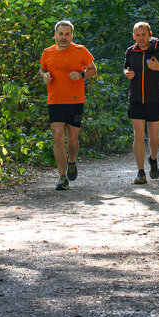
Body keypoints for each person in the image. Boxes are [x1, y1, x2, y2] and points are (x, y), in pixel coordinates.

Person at [38, 20, 97, 190]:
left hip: (75, 101)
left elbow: (93, 69)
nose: (64, 37)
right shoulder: (47, 52)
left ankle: (72, 160)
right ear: (55, 35)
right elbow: (41, 69)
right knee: (58, 138)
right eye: (61, 34)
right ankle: (62, 177)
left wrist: (81, 74)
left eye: (67, 34)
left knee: (72, 142)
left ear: (72, 35)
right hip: (55, 101)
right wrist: (44, 75)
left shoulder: (80, 50)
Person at [123, 21, 159, 184]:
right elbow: (126, 67)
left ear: (150, 35)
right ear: (133, 36)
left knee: (154, 138)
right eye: (137, 35)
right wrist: (127, 73)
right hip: (136, 99)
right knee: (138, 135)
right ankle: (140, 172)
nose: (141, 38)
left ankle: (153, 159)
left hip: (155, 100)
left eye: (143, 34)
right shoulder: (131, 52)